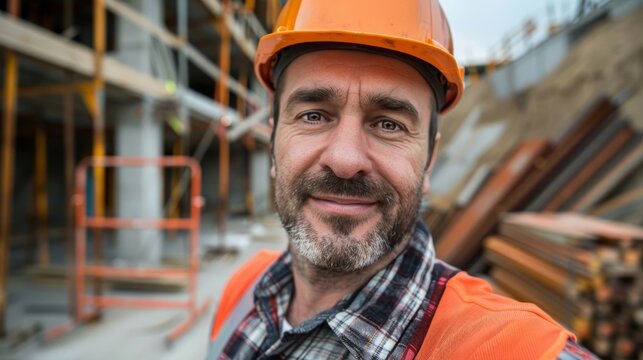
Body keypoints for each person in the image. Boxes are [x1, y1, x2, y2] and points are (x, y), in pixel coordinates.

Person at [207, 0, 598, 358]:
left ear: (428, 163)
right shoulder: (243, 287)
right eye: (313, 115)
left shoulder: (507, 347)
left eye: (389, 124)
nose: (345, 160)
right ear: (274, 142)